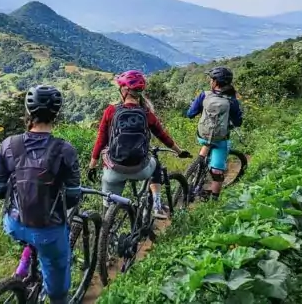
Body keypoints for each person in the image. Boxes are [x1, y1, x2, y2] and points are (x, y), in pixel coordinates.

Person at [0, 85, 81, 304]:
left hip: (14, 225)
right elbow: (74, 196)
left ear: (28, 112)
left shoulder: (8, 145)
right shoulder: (65, 150)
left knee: (30, 235)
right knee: (59, 293)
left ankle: (22, 269)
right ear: (56, 114)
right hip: (48, 232)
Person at [87, 70, 190, 219]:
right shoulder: (147, 114)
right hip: (140, 169)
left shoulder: (111, 111)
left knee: (108, 205)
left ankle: (107, 228)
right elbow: (163, 137)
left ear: (124, 90)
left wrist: (92, 165)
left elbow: (101, 140)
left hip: (113, 170)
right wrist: (179, 151)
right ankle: (157, 205)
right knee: (156, 164)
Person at [185, 66, 243, 200]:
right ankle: (214, 201)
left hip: (202, 136)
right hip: (220, 139)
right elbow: (238, 122)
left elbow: (190, 114)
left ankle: (198, 166)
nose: (210, 81)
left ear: (216, 82)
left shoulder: (204, 95)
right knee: (217, 172)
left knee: (207, 142)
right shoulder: (232, 101)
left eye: (211, 79)